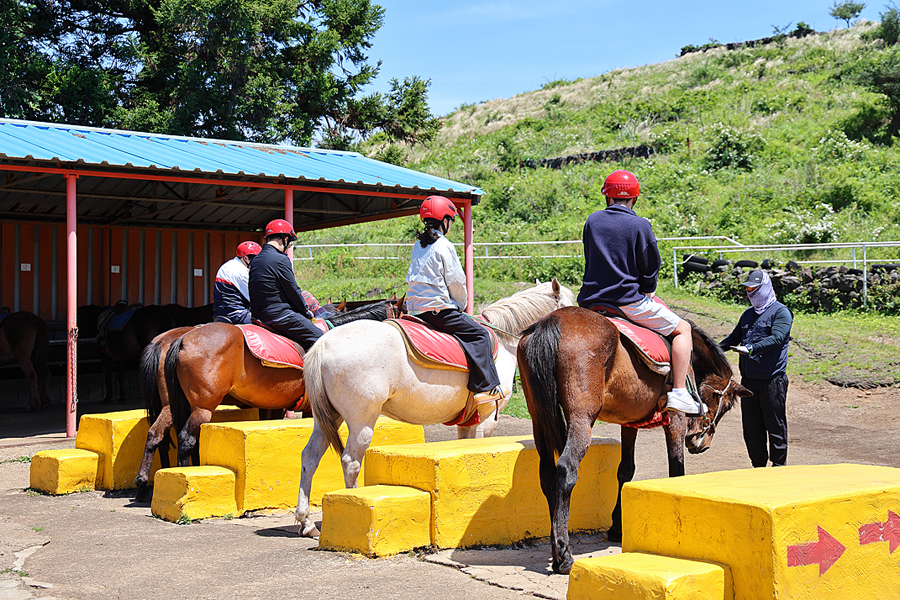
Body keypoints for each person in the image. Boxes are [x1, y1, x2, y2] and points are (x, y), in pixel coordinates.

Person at [577, 169, 703, 415]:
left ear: (607, 197)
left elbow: (591, 258)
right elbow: (650, 266)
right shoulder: (640, 225)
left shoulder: (592, 221)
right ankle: (678, 391)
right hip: (627, 302)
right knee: (683, 329)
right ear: (634, 199)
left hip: (590, 302)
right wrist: (647, 289)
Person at [405, 195, 506, 414]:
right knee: (480, 335)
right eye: (451, 219)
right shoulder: (444, 245)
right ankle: (486, 388)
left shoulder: (418, 245)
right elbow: (457, 282)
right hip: (438, 310)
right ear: (445, 221)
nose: (451, 223)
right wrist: (461, 306)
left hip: (414, 312)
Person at [720, 270, 793, 467]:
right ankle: (758, 467)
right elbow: (733, 339)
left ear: (765, 288)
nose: (750, 292)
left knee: (774, 425)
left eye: (754, 288)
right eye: (748, 288)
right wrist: (712, 349)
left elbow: (777, 338)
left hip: (772, 381)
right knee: (752, 428)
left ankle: (779, 469)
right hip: (749, 382)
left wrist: (751, 348)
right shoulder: (748, 314)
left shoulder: (781, 312)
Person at [248, 219, 323, 351]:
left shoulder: (256, 260)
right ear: (285, 238)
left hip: (257, 315)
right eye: (289, 242)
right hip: (279, 316)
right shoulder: (280, 259)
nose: (288, 246)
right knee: (321, 339)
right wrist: (305, 313)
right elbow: (293, 291)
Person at [213, 241, 261, 324]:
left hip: (220, 313)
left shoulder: (228, 265)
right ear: (245, 258)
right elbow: (255, 299)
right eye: (256, 260)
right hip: (237, 315)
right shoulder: (241, 272)